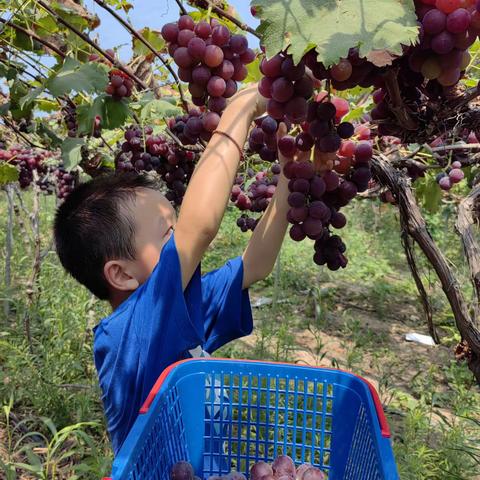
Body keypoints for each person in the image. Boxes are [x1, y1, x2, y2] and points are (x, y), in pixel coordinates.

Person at [53, 84, 294, 456]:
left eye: (176, 226)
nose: (180, 236)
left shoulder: (182, 304)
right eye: (169, 232)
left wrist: (290, 176)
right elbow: (199, 227)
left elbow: (255, 265)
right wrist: (242, 109)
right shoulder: (127, 336)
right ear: (121, 274)